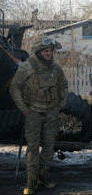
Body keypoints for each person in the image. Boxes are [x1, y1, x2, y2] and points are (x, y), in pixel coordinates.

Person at [10, 38, 68, 195]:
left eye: (50, 51)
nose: (49, 54)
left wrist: (60, 104)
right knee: (33, 149)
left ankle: (43, 176)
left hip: (51, 113)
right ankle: (31, 181)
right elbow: (14, 88)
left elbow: (63, 85)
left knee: (49, 148)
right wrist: (24, 109)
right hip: (33, 113)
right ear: (38, 52)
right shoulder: (27, 68)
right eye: (45, 51)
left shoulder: (55, 68)